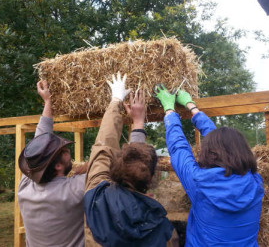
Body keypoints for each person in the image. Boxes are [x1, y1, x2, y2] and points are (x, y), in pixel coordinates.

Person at [154, 85, 264, 246]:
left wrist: (170, 110)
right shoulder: (255, 182)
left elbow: (179, 149)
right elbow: (222, 144)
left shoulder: (200, 183)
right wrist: (192, 107)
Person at [83, 73, 179, 247]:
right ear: (150, 179)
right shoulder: (163, 230)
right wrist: (138, 123)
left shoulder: (96, 198)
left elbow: (103, 147)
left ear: (116, 168)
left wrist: (116, 100)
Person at [17, 80, 86, 247]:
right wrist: (89, 167)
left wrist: (48, 101)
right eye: (64, 151)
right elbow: (106, 165)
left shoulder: (25, 187)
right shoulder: (75, 189)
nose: (67, 151)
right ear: (58, 166)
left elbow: (40, 141)